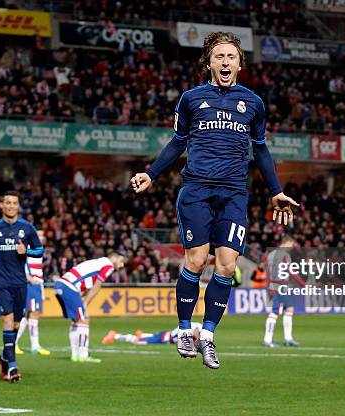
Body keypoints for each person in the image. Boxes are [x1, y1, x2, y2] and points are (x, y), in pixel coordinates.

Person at [130, 31, 298, 369]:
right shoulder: (191, 99)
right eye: (219, 56)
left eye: (231, 57)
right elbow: (178, 142)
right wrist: (151, 173)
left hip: (234, 193)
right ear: (208, 62)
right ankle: (183, 330)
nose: (225, 62)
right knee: (195, 261)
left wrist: (276, 190)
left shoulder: (253, 103)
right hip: (196, 191)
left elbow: (261, 150)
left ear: (239, 63)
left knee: (227, 265)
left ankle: (207, 336)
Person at [0, 190, 44, 383]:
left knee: (16, 324)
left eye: (14, 203)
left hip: (20, 282)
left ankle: (5, 358)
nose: (11, 206)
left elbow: (40, 250)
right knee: (7, 320)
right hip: (0, 281)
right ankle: (12, 367)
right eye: (7, 202)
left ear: (18, 206)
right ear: (2, 205)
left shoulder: (27, 228)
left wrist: (28, 250)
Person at [54, 252, 125, 363]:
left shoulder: (97, 263)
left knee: (76, 320)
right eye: (121, 261)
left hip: (60, 285)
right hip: (69, 286)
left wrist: (82, 298)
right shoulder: (108, 265)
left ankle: (75, 355)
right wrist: (86, 303)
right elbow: (97, 285)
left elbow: (87, 286)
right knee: (84, 319)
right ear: (114, 258)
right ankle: (83, 355)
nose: (122, 265)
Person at [263, 235, 305, 347]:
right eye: (291, 244)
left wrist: (268, 286)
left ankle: (288, 338)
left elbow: (267, 271)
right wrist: (303, 284)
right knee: (275, 312)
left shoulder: (271, 254)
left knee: (289, 309)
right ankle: (268, 340)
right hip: (279, 286)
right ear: (287, 242)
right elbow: (291, 271)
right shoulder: (284, 255)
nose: (292, 247)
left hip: (275, 286)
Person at [15, 230, 50, 356]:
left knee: (29, 315)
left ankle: (32, 345)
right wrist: (27, 277)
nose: (42, 237)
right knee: (31, 313)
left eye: (43, 236)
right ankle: (31, 346)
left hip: (37, 284)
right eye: (40, 235)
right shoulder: (28, 248)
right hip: (31, 284)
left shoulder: (38, 249)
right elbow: (19, 262)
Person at [102, 322, 203, 346]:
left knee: (151, 337)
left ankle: (142, 334)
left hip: (166, 335)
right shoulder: (197, 328)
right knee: (139, 342)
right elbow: (196, 332)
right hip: (166, 338)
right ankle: (115, 336)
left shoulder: (198, 327)